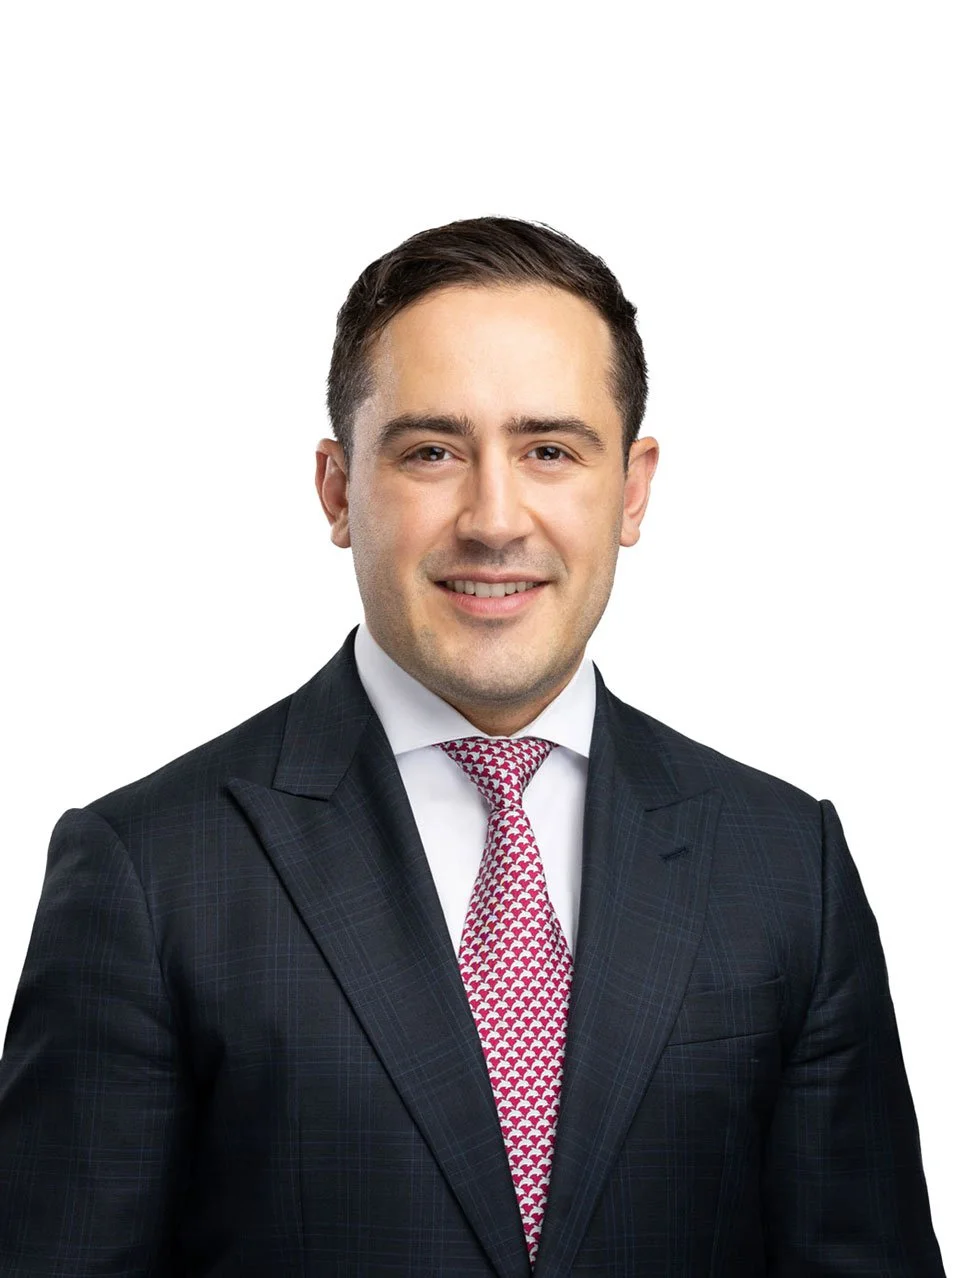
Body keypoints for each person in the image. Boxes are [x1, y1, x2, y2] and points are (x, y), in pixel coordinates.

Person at [0, 216, 944, 1277]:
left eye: (549, 450)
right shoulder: (146, 874)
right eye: (432, 452)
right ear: (336, 489)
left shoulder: (786, 866)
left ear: (631, 489)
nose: (495, 518)